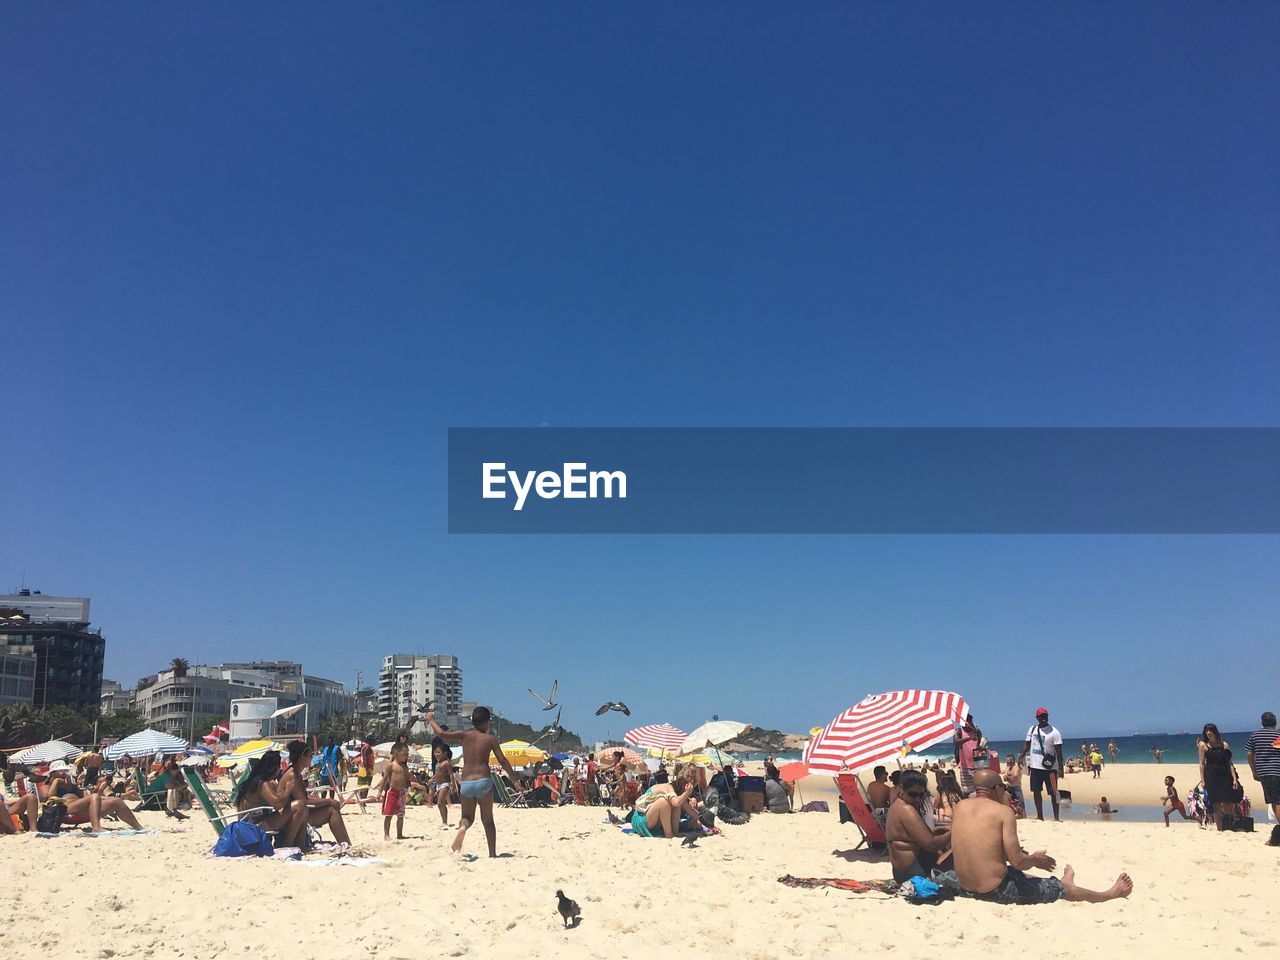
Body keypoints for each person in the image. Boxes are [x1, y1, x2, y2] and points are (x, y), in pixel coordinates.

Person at [950, 769, 1133, 905]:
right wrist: (1036, 860)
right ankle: (1109, 894)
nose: (1005, 791)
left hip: (966, 889)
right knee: (1062, 890)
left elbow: (981, 847)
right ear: (997, 788)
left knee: (1018, 874)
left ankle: (1056, 882)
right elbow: (1018, 861)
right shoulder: (1003, 812)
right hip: (995, 892)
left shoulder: (960, 807)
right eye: (1003, 788)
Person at [428, 706, 518, 857]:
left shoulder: (464, 735)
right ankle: (492, 854)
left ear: (473, 721)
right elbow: (502, 760)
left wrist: (431, 720)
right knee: (488, 821)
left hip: (467, 783)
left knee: (467, 817)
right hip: (483, 781)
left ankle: (462, 828)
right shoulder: (490, 739)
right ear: (487, 722)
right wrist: (514, 779)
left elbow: (441, 733)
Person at [39, 761, 145, 832]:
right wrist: (56, 782)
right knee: (94, 796)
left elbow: (87, 797)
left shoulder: (71, 786)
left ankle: (139, 828)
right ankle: (96, 828)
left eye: (66, 771)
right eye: (61, 771)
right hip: (65, 810)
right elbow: (48, 800)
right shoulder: (46, 787)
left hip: (83, 809)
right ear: (52, 773)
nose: (64, 774)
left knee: (116, 801)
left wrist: (109, 798)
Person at [885, 770, 951, 883]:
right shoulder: (907, 810)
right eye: (913, 794)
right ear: (901, 789)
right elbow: (931, 845)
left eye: (922, 795)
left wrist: (936, 831)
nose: (918, 799)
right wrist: (954, 832)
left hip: (901, 873)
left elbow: (911, 836)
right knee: (956, 851)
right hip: (915, 873)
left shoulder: (896, 806)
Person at [281, 740, 351, 846]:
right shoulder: (292, 776)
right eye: (310, 755)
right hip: (292, 817)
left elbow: (304, 797)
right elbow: (304, 801)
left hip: (298, 813)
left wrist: (329, 801)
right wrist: (328, 800)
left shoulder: (296, 773)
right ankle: (346, 845)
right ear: (302, 758)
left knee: (333, 807)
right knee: (332, 811)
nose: (312, 758)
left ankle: (347, 844)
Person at [235, 750, 306, 839]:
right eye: (279, 767)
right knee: (299, 805)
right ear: (275, 768)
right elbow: (278, 804)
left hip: (248, 824)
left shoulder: (255, 782)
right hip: (253, 827)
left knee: (295, 807)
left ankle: (291, 842)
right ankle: (288, 844)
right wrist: (288, 790)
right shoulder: (263, 784)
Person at [1019, 708, 1064, 822]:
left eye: (1045, 716)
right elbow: (1027, 744)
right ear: (1037, 718)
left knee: (1055, 793)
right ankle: (1040, 816)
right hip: (1035, 767)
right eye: (1041, 716)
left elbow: (1059, 752)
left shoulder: (1055, 732)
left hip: (1050, 769)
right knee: (1036, 791)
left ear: (1048, 716)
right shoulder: (1032, 729)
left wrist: (1060, 769)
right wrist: (1022, 756)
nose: (1043, 718)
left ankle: (1056, 817)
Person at [1198, 723, 1235, 832]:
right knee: (1216, 803)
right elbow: (1201, 763)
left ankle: (1228, 825)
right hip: (1211, 776)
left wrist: (1234, 778)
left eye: (1211, 730)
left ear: (1215, 731)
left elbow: (1230, 763)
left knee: (1228, 802)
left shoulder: (1224, 745)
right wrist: (1203, 780)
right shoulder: (1203, 745)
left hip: (1225, 775)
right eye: (1206, 731)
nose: (1209, 732)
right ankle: (1219, 827)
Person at [1246, 711, 1280, 826]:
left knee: (1274, 801)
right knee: (1277, 799)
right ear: (1275, 723)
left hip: (1264, 772)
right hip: (1278, 770)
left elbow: (1249, 754)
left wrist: (1254, 771)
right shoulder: (1278, 735)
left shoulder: (1255, 735)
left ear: (1262, 722)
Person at [376, 742, 411, 840]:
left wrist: (409, 790)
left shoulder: (404, 767)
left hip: (401, 793)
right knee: (389, 814)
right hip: (392, 793)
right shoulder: (391, 766)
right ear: (395, 754)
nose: (406, 756)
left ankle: (399, 834)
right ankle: (386, 835)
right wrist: (379, 792)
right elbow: (385, 780)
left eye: (407, 754)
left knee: (401, 815)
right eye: (404, 754)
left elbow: (407, 780)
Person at [954, 715, 982, 796]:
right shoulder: (959, 730)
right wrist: (969, 738)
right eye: (967, 721)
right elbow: (955, 741)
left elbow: (980, 743)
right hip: (965, 765)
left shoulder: (976, 730)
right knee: (966, 790)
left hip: (977, 765)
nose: (969, 723)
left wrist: (981, 747)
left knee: (979, 788)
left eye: (970, 721)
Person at [430, 742, 456, 826]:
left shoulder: (446, 763)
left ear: (444, 753)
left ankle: (445, 822)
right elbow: (437, 774)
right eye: (435, 752)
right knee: (440, 804)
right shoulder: (438, 763)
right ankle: (444, 821)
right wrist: (432, 779)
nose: (436, 754)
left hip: (445, 784)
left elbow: (451, 774)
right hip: (438, 784)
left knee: (440, 802)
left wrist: (453, 786)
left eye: (439, 752)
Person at [355, 736, 375, 801]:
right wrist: (367, 769)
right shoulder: (366, 748)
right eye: (372, 740)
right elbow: (364, 759)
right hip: (365, 769)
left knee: (366, 785)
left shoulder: (368, 748)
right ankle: (362, 800)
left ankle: (363, 800)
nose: (374, 742)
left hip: (367, 769)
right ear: (369, 740)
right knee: (364, 785)